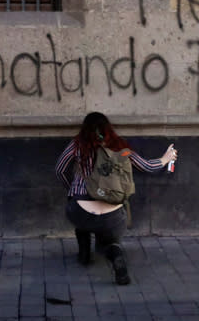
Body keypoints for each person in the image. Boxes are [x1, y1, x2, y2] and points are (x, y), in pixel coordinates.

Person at [55, 112, 176, 285]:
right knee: (109, 240)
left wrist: (72, 191)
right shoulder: (119, 146)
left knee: (81, 220)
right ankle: (114, 253)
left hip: (80, 210)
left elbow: (59, 169)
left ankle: (84, 254)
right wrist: (166, 158)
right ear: (109, 129)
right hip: (112, 216)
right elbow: (147, 166)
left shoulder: (77, 145)